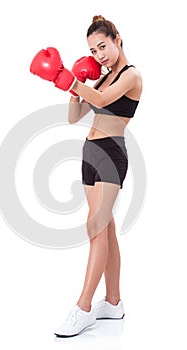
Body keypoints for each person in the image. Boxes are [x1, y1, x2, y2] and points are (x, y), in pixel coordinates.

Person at [30, 15, 143, 337]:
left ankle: (83, 308)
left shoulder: (131, 75)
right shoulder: (98, 79)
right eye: (93, 51)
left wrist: (69, 79)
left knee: (94, 228)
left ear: (118, 39)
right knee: (105, 228)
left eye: (103, 46)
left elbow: (106, 102)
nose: (99, 56)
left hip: (111, 153)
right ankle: (114, 302)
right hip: (89, 153)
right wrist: (71, 85)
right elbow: (73, 116)